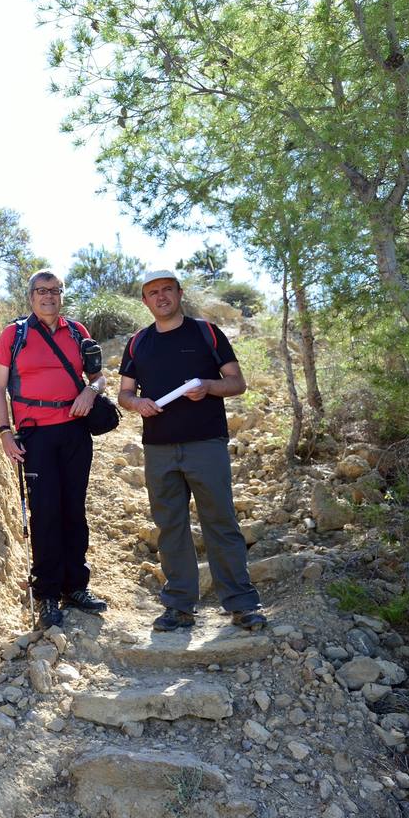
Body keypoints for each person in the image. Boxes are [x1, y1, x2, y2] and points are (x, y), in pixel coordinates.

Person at [117, 270, 268, 632]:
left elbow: (237, 383)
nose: (161, 297)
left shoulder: (206, 332)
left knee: (220, 520)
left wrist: (208, 387)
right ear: (145, 301)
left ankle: (242, 604)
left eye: (167, 289)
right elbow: (124, 394)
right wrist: (139, 404)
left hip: (205, 443)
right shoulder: (138, 342)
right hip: (158, 448)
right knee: (170, 527)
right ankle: (179, 607)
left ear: (179, 293)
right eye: (153, 292)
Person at [0, 270, 108, 629]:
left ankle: (76, 586)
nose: (49, 297)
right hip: (35, 435)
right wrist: (4, 433)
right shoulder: (15, 334)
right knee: (44, 513)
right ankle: (47, 594)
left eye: (55, 291)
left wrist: (92, 391)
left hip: (75, 432)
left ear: (61, 295)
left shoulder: (77, 331)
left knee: (74, 508)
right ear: (31, 297)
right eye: (42, 291)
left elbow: (99, 376)